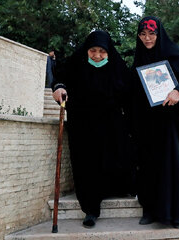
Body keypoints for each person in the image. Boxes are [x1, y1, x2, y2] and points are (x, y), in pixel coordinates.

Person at [52, 30, 135, 228]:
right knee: (86, 165)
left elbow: (130, 92)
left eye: (102, 52)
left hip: (111, 124)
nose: (97, 55)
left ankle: (116, 188)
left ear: (108, 52)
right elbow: (60, 79)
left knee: (114, 158)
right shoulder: (76, 63)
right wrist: (59, 88)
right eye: (93, 51)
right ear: (87, 50)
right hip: (83, 125)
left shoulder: (117, 66)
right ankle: (90, 209)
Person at [131, 16, 179, 228]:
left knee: (172, 166)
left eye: (152, 34)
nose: (147, 38)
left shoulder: (172, 51)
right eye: (143, 34)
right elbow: (133, 86)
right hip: (149, 123)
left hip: (171, 121)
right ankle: (151, 211)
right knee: (149, 166)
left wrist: (178, 91)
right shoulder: (140, 56)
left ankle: (178, 214)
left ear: (159, 34)